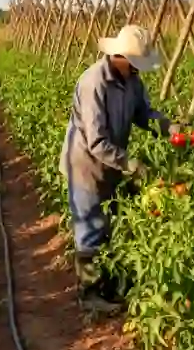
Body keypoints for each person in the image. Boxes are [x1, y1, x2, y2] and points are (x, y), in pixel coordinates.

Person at [59, 24, 174, 313]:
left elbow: (142, 112)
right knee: (90, 226)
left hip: (112, 162)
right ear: (120, 57)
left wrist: (165, 125)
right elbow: (96, 141)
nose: (138, 69)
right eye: (135, 63)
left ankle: (107, 287)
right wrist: (130, 163)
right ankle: (89, 295)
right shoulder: (93, 83)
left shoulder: (131, 79)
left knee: (109, 222)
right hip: (85, 163)